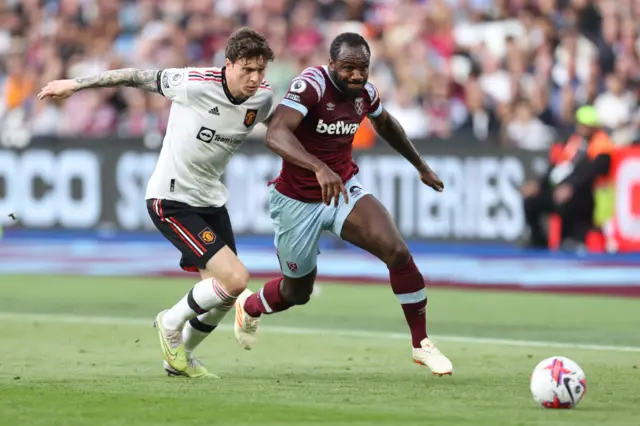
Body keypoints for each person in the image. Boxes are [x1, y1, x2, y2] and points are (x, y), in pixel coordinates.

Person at [38, 28, 275, 378]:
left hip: (211, 199)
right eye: (247, 70)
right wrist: (76, 84)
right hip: (172, 197)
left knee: (223, 294)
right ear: (228, 65)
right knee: (236, 278)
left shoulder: (263, 100)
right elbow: (134, 76)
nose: (254, 79)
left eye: (260, 71)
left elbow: (284, 130)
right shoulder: (194, 82)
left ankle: (178, 360)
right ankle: (170, 321)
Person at [233, 32, 453, 377]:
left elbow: (386, 124)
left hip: (344, 189)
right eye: (348, 68)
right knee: (297, 292)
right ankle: (249, 305)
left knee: (396, 251)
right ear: (332, 64)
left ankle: (421, 344)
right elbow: (275, 134)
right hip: (296, 200)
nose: (356, 75)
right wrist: (318, 167)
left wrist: (420, 165)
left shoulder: (366, 93)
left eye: (362, 68)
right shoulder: (311, 86)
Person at [521, 105, 614, 249]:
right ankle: (539, 244)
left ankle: (570, 240)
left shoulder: (601, 146)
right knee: (531, 202)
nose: (582, 128)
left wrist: (570, 186)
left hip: (587, 196)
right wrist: (539, 185)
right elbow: (557, 166)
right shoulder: (572, 142)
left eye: (586, 125)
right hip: (560, 190)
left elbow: (589, 173)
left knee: (567, 202)